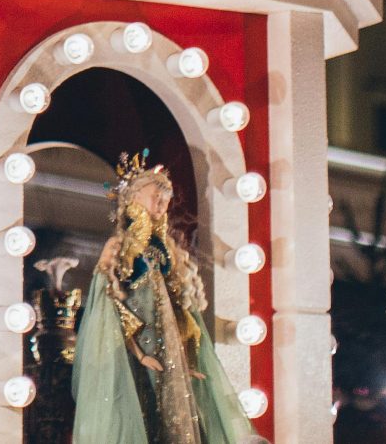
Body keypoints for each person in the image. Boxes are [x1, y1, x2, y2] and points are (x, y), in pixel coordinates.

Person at [72, 155, 262, 444]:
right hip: (136, 347)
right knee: (141, 412)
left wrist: (183, 356)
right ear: (135, 197)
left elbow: (177, 306)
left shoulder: (164, 248)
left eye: (165, 199)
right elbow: (108, 301)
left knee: (173, 420)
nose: (161, 204)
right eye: (156, 197)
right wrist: (138, 352)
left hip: (168, 348)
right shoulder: (120, 247)